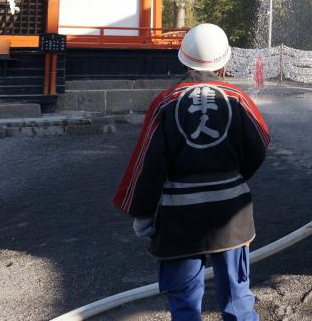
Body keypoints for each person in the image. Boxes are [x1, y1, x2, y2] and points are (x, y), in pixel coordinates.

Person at [113, 23, 271, 320]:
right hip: (231, 212)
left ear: (184, 61)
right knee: (238, 298)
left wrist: (142, 213)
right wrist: (235, 176)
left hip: (179, 216)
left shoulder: (165, 102)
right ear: (224, 63)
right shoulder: (238, 99)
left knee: (184, 300)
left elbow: (146, 162)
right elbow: (260, 142)